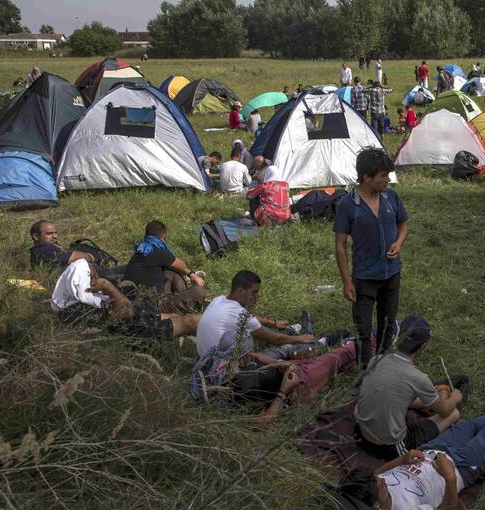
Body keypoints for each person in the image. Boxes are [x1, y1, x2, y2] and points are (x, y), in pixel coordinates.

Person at [339, 389, 485, 510]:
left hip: (432, 451)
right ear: (378, 507)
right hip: (459, 467)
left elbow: (378, 473)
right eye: (381, 486)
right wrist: (450, 478)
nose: (382, 480)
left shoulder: (366, 490)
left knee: (468, 425)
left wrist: (402, 458)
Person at [190, 270, 323, 405]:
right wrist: (299, 339)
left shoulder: (219, 300)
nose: (257, 296)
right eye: (254, 292)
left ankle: (296, 331)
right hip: (229, 373)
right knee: (283, 350)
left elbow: (249, 319)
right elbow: (274, 338)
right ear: (241, 291)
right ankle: (318, 342)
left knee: (273, 349)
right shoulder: (237, 314)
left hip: (211, 363)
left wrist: (274, 323)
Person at [334, 148, 408, 369]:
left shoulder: (391, 197)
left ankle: (383, 365)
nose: (387, 180)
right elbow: (340, 245)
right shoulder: (348, 205)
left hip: (391, 273)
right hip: (365, 276)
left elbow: (403, 225)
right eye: (383, 176)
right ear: (366, 178)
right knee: (363, 328)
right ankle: (365, 370)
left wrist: (398, 242)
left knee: (387, 321)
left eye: (388, 175)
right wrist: (347, 281)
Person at [354, 316, 464, 459]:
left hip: (359, 432)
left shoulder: (376, 359)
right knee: (453, 413)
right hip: (387, 446)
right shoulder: (419, 378)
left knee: (402, 395)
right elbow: (444, 410)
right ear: (423, 346)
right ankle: (440, 396)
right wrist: (455, 397)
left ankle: (435, 397)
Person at [52, 258, 200, 339]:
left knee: (177, 316)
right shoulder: (84, 308)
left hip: (145, 316)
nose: (97, 278)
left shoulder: (72, 302)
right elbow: (127, 312)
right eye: (93, 276)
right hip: (142, 332)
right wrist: (107, 286)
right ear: (81, 281)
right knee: (190, 321)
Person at [123, 220, 206, 314]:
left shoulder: (140, 251)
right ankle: (183, 297)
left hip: (132, 301)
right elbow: (181, 265)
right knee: (199, 292)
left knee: (170, 271)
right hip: (151, 307)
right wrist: (192, 275)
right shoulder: (159, 251)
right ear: (164, 236)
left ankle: (181, 296)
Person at [29, 220, 95, 272]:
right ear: (36, 236)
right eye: (49, 234)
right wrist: (89, 256)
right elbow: (72, 257)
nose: (55, 236)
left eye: (55, 233)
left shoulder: (48, 249)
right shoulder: (44, 250)